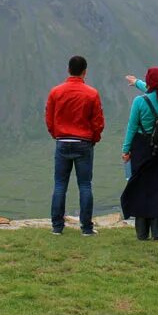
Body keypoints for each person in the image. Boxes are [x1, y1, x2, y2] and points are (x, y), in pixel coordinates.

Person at [44, 55, 105, 236]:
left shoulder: (56, 92)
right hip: (83, 143)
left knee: (60, 184)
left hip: (62, 142)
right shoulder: (92, 94)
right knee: (85, 185)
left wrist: (56, 134)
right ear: (84, 72)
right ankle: (86, 228)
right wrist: (93, 139)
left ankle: (57, 227)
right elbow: (98, 122)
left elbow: (49, 118)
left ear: (68, 69)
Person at [120, 68, 158, 241]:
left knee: (141, 189)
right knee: (156, 189)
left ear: (148, 81)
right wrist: (137, 83)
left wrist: (126, 150)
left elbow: (132, 127)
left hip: (142, 149)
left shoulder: (138, 102)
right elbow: (154, 94)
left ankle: (142, 233)